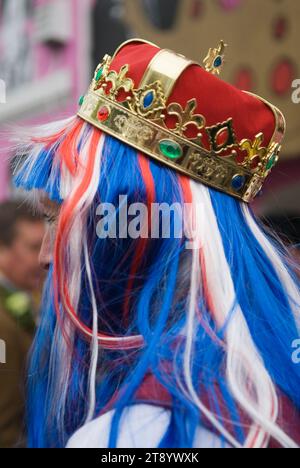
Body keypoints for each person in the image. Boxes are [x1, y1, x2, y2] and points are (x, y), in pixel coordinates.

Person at [12, 39, 300, 448]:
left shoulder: (136, 433)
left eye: (58, 216)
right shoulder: (271, 374)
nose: (45, 257)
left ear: (136, 235)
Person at [0, 201, 44, 447]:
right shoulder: (2, 324)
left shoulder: (29, 295)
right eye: (33, 247)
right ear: (2, 249)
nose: (43, 258)